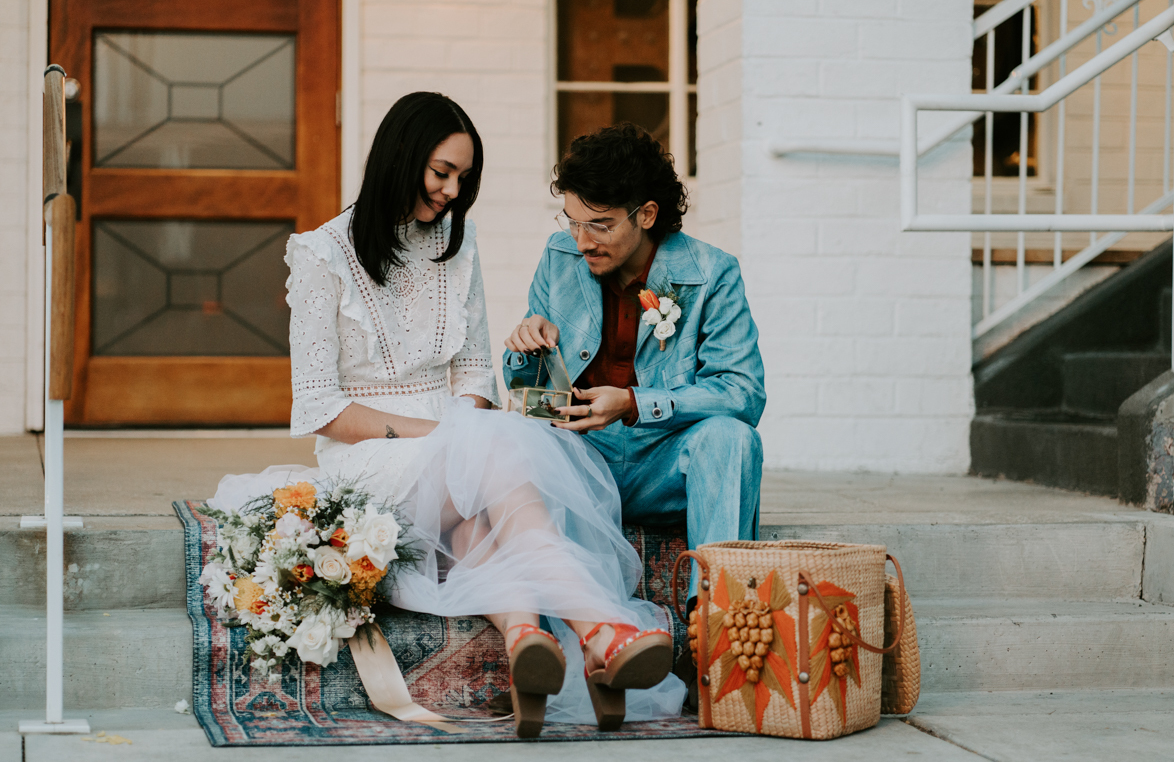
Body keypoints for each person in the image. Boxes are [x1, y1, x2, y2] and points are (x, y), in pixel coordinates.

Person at [210, 94, 682, 738]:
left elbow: (474, 373)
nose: (452, 191)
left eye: (464, 178)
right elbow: (319, 406)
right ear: (400, 159)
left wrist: (465, 429)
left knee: (481, 493)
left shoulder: (457, 244)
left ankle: (523, 641)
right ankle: (597, 629)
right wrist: (448, 438)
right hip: (371, 454)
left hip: (461, 433)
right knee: (493, 459)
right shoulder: (320, 256)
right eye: (441, 172)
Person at [502, 124, 767, 694]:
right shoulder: (559, 257)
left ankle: (711, 630)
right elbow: (529, 391)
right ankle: (546, 653)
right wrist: (524, 347)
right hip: (579, 460)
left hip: (661, 464)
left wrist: (635, 404)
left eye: (599, 224)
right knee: (510, 449)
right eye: (571, 220)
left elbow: (743, 392)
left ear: (646, 214)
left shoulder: (711, 272)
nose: (582, 240)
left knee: (732, 439)